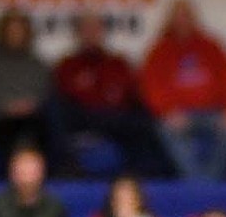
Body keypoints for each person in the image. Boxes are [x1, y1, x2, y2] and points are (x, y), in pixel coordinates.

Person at [140, 0, 226, 180]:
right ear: (170, 20)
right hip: (177, 115)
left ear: (194, 18)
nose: (182, 21)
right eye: (178, 17)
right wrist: (167, 111)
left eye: (186, 16)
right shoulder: (159, 50)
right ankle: (199, 182)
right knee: (166, 129)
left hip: (213, 113)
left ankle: (206, 181)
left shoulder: (212, 47)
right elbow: (151, 87)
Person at [53, 12, 152, 172]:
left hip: (120, 129)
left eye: (96, 29)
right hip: (84, 130)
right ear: (78, 33)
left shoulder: (119, 64)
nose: (91, 34)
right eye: (86, 29)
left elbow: (136, 102)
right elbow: (62, 109)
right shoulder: (67, 67)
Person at [0, 10, 56, 171]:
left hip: (32, 119)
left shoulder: (38, 65)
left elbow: (46, 94)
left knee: (45, 127)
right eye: (11, 31)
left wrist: (29, 106)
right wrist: (8, 108)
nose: (15, 35)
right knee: (11, 134)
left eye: (19, 30)